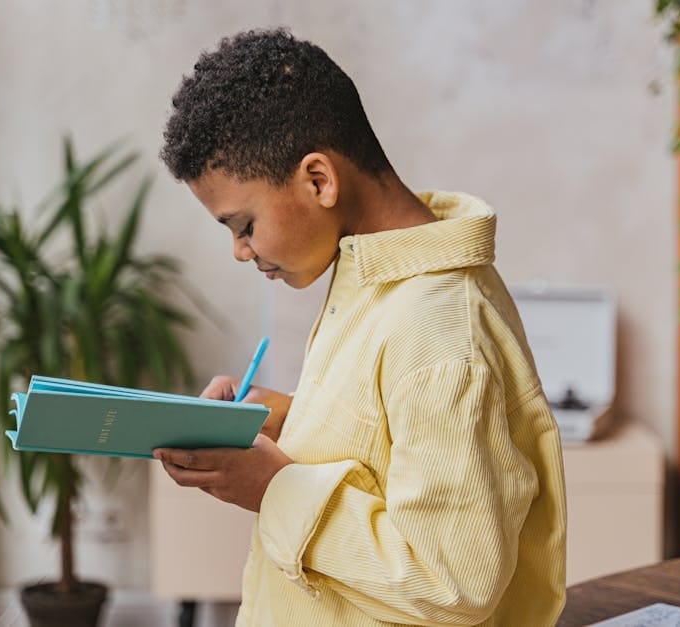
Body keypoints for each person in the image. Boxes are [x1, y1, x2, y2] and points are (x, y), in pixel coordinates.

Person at [154, 27, 567, 627]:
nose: (242, 251)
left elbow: (454, 584)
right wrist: (289, 417)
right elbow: (392, 445)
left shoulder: (439, 330)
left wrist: (274, 489)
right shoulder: (370, 273)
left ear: (319, 180)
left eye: (242, 226)